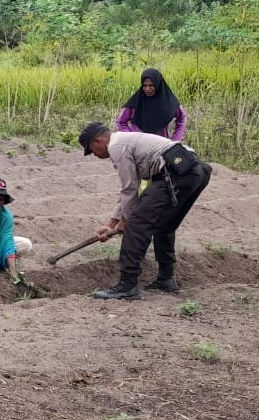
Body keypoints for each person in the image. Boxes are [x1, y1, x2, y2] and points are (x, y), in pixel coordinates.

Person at [79, 122, 212, 300]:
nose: (95, 155)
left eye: (92, 150)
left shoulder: (116, 146)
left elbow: (129, 188)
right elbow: (132, 190)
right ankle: (166, 279)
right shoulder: (127, 141)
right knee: (164, 225)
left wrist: (125, 221)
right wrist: (111, 223)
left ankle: (127, 285)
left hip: (175, 173)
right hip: (194, 172)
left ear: (99, 141)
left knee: (136, 225)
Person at [117, 68, 187, 141]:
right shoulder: (136, 102)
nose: (147, 89)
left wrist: (175, 140)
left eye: (151, 85)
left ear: (158, 84)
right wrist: (132, 139)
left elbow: (182, 118)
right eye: (145, 85)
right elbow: (120, 122)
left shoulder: (168, 102)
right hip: (139, 146)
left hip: (161, 146)